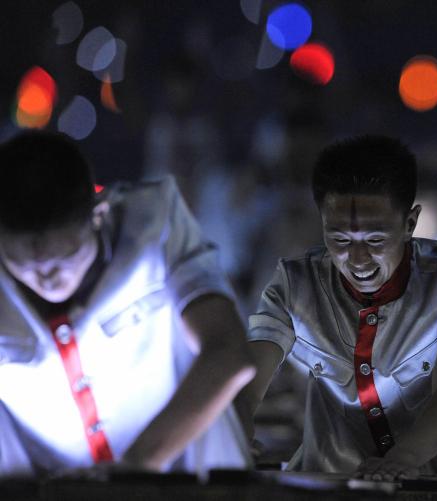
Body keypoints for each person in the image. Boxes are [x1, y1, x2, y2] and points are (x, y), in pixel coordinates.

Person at [235, 135, 437, 481]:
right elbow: (247, 378)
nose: (358, 258)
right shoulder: (295, 284)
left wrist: (406, 457)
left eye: (375, 240)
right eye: (339, 240)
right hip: (343, 469)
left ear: (410, 223)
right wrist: (235, 430)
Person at [0, 131, 256, 476]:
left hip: (183, 480)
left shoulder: (155, 224)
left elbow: (227, 351)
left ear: (98, 213)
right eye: (23, 266)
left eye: (65, 259)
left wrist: (137, 467)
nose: (46, 279)